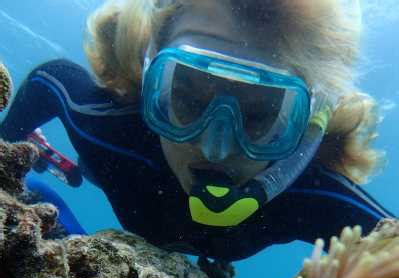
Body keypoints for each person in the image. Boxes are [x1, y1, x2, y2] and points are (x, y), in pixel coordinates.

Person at [0, 0, 393, 261]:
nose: (215, 147)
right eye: (189, 98)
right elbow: (50, 80)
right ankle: (58, 165)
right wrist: (8, 145)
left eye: (257, 116)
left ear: (307, 122)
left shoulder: (308, 195)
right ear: (148, 76)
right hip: (102, 165)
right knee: (36, 194)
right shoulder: (108, 126)